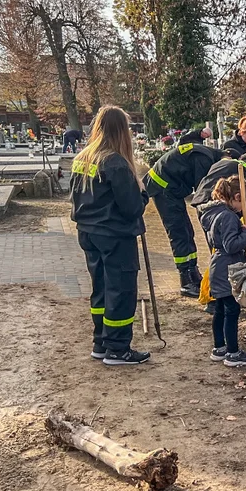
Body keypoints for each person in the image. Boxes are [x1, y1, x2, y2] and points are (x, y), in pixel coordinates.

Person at [69, 106, 151, 366]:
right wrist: (143, 195)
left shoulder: (83, 158)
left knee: (101, 287)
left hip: (88, 232)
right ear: (121, 131)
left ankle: (101, 342)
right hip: (115, 235)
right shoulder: (115, 162)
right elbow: (131, 208)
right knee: (122, 289)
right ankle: (118, 348)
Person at [198, 175, 246, 367]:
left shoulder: (215, 213)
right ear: (237, 197)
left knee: (221, 309)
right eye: (245, 202)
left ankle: (219, 347)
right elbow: (231, 245)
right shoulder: (228, 216)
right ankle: (232, 352)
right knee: (232, 310)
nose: (244, 207)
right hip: (227, 267)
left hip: (219, 265)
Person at [144, 142, 216, 297]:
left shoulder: (208, 155)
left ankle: (193, 274)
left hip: (171, 188)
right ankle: (186, 281)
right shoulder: (204, 160)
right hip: (163, 188)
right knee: (179, 233)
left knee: (187, 231)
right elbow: (202, 196)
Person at [191, 151, 246, 234]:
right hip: (220, 202)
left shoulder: (221, 164)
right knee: (231, 235)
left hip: (202, 201)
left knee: (215, 236)